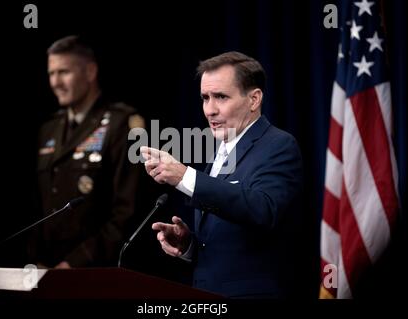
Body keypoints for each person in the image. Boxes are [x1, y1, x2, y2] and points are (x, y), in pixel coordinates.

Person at [141, 51, 304, 298]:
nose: (210, 110)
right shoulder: (222, 150)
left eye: (220, 97)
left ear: (254, 99)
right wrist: (188, 245)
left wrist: (185, 177)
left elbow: (263, 209)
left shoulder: (278, 145)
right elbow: (228, 239)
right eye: (205, 98)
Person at [31, 35, 144, 268]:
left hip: (95, 271)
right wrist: (36, 260)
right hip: (46, 271)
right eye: (51, 73)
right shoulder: (48, 129)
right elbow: (39, 205)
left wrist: (74, 263)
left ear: (90, 72)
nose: (55, 82)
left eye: (64, 72)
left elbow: (128, 212)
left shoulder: (122, 124)